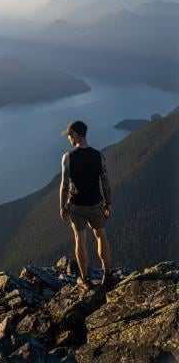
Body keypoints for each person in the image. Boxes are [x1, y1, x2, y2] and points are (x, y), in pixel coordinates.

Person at [59, 120, 117, 289]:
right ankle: (107, 275)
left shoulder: (68, 157)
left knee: (80, 240)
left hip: (76, 205)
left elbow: (64, 184)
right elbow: (105, 181)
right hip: (95, 203)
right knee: (102, 236)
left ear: (75, 135)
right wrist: (108, 202)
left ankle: (85, 280)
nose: (69, 138)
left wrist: (62, 206)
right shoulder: (99, 156)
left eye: (69, 135)